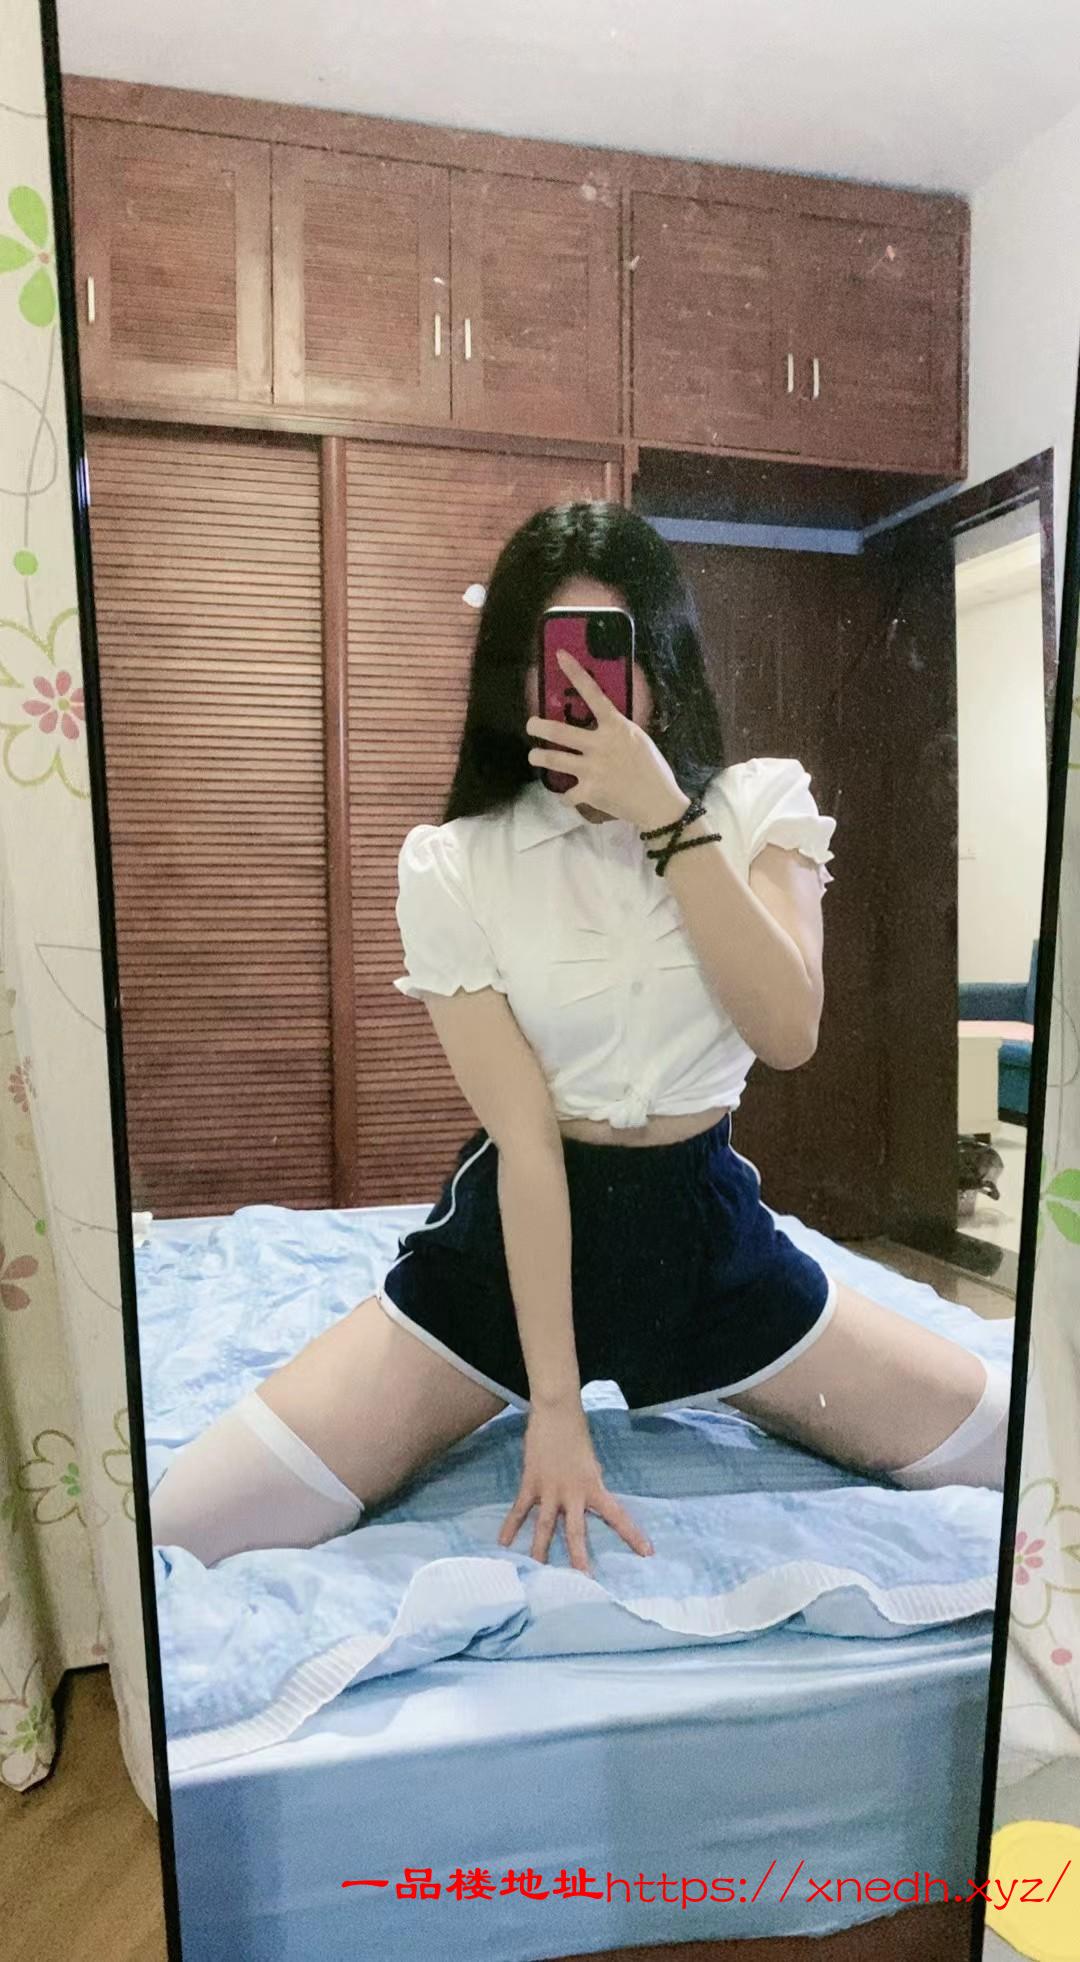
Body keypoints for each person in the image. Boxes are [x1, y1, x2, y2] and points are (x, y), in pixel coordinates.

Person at [150, 503, 1010, 1571]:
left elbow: (788, 1030)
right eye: (548, 657)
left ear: (666, 663)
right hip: (506, 1256)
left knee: (1024, 1450)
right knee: (186, 1523)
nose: (583, 687)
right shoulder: (455, 861)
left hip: (710, 1248)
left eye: (612, 651)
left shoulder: (759, 806)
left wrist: (665, 816)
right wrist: (554, 1411)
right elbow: (525, 1144)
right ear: (512, 679)